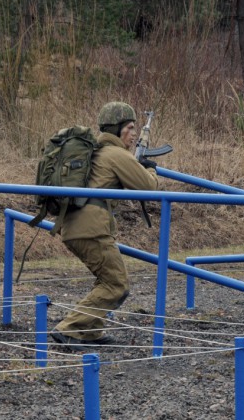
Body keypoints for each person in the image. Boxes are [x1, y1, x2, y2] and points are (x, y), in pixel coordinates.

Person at [50, 101, 159, 348]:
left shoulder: (95, 151)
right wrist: (151, 171)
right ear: (118, 129)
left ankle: (90, 332)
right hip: (93, 230)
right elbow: (148, 188)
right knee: (116, 284)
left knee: (106, 280)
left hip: (76, 228)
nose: (133, 134)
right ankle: (69, 329)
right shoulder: (116, 154)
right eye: (130, 128)